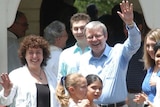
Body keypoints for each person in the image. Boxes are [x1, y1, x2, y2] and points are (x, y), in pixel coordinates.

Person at [79, 0, 141, 106]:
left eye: (98, 35)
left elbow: (134, 44)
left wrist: (130, 24)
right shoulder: (83, 59)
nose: (94, 40)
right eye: (90, 37)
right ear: (86, 39)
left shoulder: (118, 52)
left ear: (106, 36)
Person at [0, 35, 59, 107]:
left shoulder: (52, 76)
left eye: (38, 52)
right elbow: (4, 102)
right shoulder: (16, 75)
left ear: (43, 55)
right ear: (24, 55)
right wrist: (7, 91)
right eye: (31, 52)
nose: (35, 56)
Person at [58, 13, 91, 80]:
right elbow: (60, 80)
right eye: (76, 29)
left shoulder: (98, 52)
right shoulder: (65, 54)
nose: (79, 32)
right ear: (71, 30)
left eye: (82, 28)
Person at [126, 11, 148, 107]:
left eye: (129, 27)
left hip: (143, 96)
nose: (126, 30)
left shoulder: (148, 48)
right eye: (124, 27)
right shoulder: (122, 48)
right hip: (125, 96)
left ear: (139, 27)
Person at [133, 28, 160, 105]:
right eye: (147, 46)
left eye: (153, 45)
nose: (150, 49)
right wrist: (144, 98)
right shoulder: (150, 68)